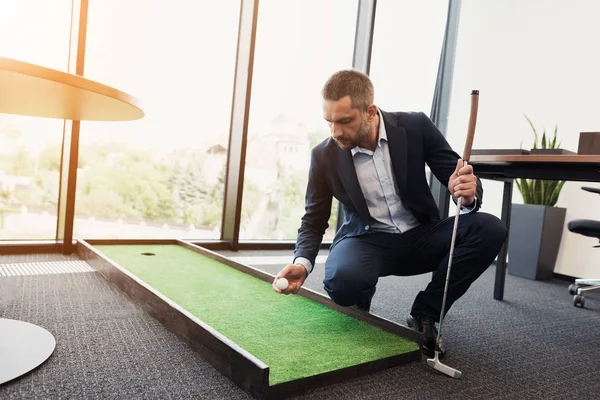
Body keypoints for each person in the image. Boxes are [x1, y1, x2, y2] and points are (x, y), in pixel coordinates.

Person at [272, 69, 507, 358]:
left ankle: (426, 314)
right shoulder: (324, 155)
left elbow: (456, 175)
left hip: (422, 235)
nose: (336, 132)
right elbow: (313, 218)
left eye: (345, 121)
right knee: (343, 283)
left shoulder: (416, 126)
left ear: (370, 111)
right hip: (367, 240)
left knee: (490, 229)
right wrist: (303, 263)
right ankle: (362, 289)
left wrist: (468, 192)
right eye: (329, 122)